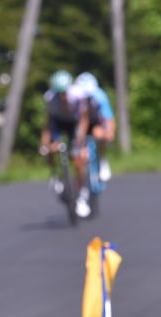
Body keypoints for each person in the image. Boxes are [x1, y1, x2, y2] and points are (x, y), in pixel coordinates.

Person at [39, 70, 91, 217]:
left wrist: (80, 138)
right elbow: (49, 123)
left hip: (75, 123)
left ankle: (81, 194)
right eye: (59, 93)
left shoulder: (78, 95)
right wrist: (45, 144)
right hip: (59, 123)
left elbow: (84, 119)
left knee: (78, 158)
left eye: (64, 92)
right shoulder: (50, 98)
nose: (62, 96)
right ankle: (55, 175)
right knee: (50, 148)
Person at [74, 72, 115, 182]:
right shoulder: (74, 97)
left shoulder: (100, 96)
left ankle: (102, 159)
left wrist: (110, 132)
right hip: (79, 122)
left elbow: (108, 117)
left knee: (100, 134)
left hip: (95, 121)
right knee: (77, 149)